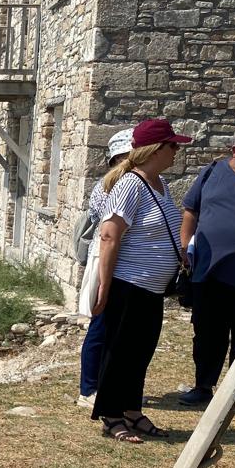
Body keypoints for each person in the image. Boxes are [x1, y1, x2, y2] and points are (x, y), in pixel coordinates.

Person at [91, 118, 192, 443]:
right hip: (128, 284)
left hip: (151, 288)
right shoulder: (131, 184)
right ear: (156, 149)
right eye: (173, 145)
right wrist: (105, 285)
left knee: (139, 352)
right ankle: (111, 415)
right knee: (119, 351)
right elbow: (109, 235)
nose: (177, 151)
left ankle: (131, 410)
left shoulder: (159, 184)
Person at [178, 121, 235, 412]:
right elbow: (191, 210)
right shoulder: (212, 172)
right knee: (207, 335)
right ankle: (203, 387)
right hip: (210, 273)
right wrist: (185, 247)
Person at [76, 127, 133, 408]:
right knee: (101, 325)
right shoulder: (109, 186)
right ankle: (89, 389)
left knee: (119, 330)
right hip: (108, 262)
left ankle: (110, 387)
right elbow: (109, 229)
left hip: (128, 266)